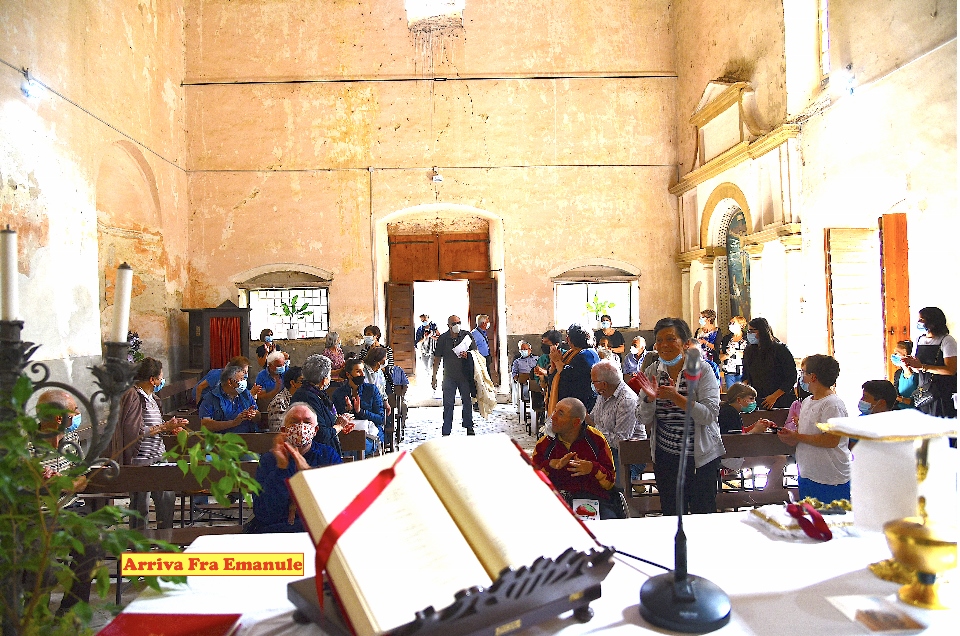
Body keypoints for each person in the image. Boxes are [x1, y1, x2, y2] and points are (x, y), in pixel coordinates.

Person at [634, 317, 723, 515]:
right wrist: (649, 400)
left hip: (700, 458)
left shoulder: (702, 370)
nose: (664, 345)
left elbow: (709, 415)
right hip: (666, 457)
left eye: (670, 339)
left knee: (703, 514)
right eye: (659, 340)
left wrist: (676, 397)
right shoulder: (653, 371)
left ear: (685, 343)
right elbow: (643, 418)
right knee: (672, 513)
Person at [33, 390, 100, 617]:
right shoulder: (26, 446)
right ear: (59, 418)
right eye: (75, 411)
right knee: (42, 560)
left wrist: (64, 483)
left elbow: (82, 480)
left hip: (70, 509)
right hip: (38, 514)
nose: (78, 414)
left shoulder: (71, 440)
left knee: (92, 544)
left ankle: (70, 609)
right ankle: (36, 611)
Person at [113, 357, 187, 529]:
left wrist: (170, 427)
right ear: (152, 379)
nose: (162, 380)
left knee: (166, 498)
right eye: (161, 377)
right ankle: (139, 542)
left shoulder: (153, 398)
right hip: (141, 460)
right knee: (140, 506)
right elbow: (132, 431)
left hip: (158, 456)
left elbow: (154, 425)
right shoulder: (133, 396)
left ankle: (165, 537)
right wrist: (164, 427)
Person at [251, 404, 342, 533]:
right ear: (284, 430)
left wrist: (309, 476)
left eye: (307, 422)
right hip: (277, 531)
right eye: (294, 422)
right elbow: (263, 512)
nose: (301, 427)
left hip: (316, 531)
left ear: (315, 430)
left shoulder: (328, 455)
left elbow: (339, 504)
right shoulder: (269, 460)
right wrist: (281, 469)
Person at [777, 354, 851, 502]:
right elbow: (806, 434)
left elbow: (831, 440)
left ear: (813, 377)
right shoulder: (807, 401)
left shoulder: (832, 404)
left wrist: (797, 436)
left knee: (830, 516)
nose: (801, 377)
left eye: (803, 372)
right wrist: (791, 436)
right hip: (808, 472)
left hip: (829, 477)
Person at [531, 397, 619, 519]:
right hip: (557, 499)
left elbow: (610, 482)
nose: (553, 417)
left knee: (609, 522)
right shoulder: (545, 443)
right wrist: (550, 465)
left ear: (576, 422)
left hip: (593, 499)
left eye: (560, 414)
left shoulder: (596, 439)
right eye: (554, 411)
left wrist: (592, 468)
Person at [586, 361, 638, 487]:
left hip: (629, 455)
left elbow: (620, 442)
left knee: (602, 480)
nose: (592, 384)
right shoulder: (603, 394)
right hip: (606, 447)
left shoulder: (626, 400)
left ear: (603, 384)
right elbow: (592, 418)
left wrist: (593, 427)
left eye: (593, 382)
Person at [291, 354, 355, 456]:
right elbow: (321, 434)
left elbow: (325, 420)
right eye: (329, 375)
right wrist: (339, 426)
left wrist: (338, 422)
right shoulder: (307, 397)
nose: (330, 378)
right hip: (315, 455)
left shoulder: (316, 393)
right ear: (323, 380)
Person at [901, 306, 957, 419]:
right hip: (923, 390)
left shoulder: (947, 340)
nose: (918, 322)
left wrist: (923, 367)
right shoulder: (919, 339)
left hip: (942, 391)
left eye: (922, 320)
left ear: (932, 322)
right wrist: (910, 364)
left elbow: (951, 370)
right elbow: (917, 369)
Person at [432, 315, 477, 436]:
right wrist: (434, 376)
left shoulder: (467, 336)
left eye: (459, 322)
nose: (457, 325)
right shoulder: (443, 339)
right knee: (448, 403)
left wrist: (468, 355)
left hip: (465, 376)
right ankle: (446, 429)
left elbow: (475, 353)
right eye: (454, 323)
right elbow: (437, 358)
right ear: (448, 326)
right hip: (449, 376)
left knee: (467, 402)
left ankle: (469, 426)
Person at [742, 317, 797, 409]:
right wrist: (744, 389)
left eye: (752, 331)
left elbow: (791, 377)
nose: (749, 334)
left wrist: (774, 396)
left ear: (762, 331)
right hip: (758, 398)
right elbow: (746, 375)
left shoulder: (780, 350)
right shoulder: (749, 351)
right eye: (748, 331)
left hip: (780, 399)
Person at [333, 357, 385, 455]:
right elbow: (335, 418)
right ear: (348, 375)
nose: (362, 374)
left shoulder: (371, 390)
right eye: (358, 371)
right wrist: (348, 410)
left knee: (357, 446)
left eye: (363, 371)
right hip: (347, 434)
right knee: (343, 447)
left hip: (370, 433)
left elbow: (381, 418)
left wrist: (361, 412)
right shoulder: (339, 393)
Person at [548, 324, 600, 414]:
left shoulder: (587, 354)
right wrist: (553, 366)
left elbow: (569, 375)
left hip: (580, 403)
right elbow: (557, 374)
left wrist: (557, 361)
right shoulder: (571, 353)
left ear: (570, 339)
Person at [198, 361, 261, 433]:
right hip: (223, 438)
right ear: (230, 382)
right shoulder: (210, 398)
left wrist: (254, 414)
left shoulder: (245, 393)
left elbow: (258, 416)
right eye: (241, 379)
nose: (244, 382)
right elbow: (205, 425)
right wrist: (233, 423)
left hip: (249, 436)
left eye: (244, 379)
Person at [194, 355, 260, 403]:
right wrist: (198, 405)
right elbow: (200, 387)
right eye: (243, 372)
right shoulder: (217, 375)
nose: (245, 375)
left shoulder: (236, 380)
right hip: (201, 396)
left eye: (247, 372)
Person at [267, 365, 303, 432]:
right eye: (302, 382)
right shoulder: (279, 403)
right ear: (293, 383)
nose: (306, 385)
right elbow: (278, 431)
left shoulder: (303, 398)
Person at [718, 315, 748, 389]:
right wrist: (727, 355)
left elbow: (750, 355)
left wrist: (735, 352)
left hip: (743, 371)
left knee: (742, 392)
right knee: (731, 392)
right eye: (730, 323)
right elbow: (720, 356)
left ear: (741, 325)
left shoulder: (747, 338)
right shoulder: (726, 339)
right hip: (729, 371)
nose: (731, 325)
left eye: (733, 323)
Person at [891, 340, 919, 407]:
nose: (894, 356)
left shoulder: (918, 375)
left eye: (897, 353)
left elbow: (919, 400)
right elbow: (895, 395)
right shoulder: (898, 374)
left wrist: (900, 399)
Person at [511, 340, 539, 405]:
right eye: (521, 349)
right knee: (526, 391)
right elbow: (514, 373)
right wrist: (518, 379)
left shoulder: (537, 359)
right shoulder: (517, 362)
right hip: (524, 383)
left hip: (536, 381)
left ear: (530, 350)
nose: (523, 351)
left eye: (525, 349)